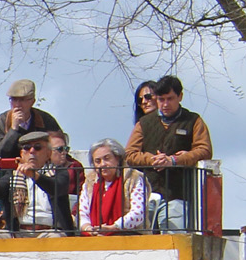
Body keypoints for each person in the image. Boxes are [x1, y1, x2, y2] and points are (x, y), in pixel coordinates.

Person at [125, 74, 213, 230]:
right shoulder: (144, 123)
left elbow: (204, 150)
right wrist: (152, 160)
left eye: (170, 99)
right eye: (161, 99)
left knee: (174, 239)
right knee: (142, 240)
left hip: (178, 194)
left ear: (180, 97)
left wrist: (176, 160)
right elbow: (130, 154)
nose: (165, 104)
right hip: (146, 194)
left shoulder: (193, 120)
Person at [0, 131, 75, 236]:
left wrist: (34, 175)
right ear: (21, 154)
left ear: (48, 153)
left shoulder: (58, 172)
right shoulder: (14, 175)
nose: (32, 151)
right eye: (26, 148)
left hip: (50, 231)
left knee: (55, 238)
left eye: (38, 147)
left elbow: (56, 188)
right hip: (19, 232)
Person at [78, 139, 147, 234]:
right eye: (98, 161)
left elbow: (138, 213)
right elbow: (82, 212)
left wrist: (114, 227)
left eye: (107, 158)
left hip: (128, 234)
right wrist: (88, 228)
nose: (103, 164)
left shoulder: (133, 178)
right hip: (94, 235)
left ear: (117, 159)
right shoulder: (90, 181)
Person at [0, 79, 63, 159]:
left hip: (40, 169)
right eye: (14, 99)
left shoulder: (46, 120)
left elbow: (60, 148)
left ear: (32, 101)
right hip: (10, 170)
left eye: (22, 100)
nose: (18, 104)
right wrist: (13, 130)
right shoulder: (1, 122)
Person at [46, 132, 87, 198]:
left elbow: (81, 192)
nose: (64, 152)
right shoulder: (40, 166)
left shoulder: (75, 166)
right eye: (60, 149)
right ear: (48, 151)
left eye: (66, 149)